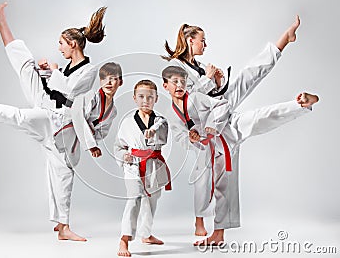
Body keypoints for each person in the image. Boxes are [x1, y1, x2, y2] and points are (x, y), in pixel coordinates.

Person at [164, 16, 307, 241]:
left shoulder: (200, 67)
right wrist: (210, 80)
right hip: (206, 127)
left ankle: (285, 46)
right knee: (219, 177)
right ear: (190, 40)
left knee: (247, 81)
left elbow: (209, 95)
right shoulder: (176, 68)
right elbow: (185, 102)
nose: (205, 45)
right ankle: (208, 227)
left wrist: (218, 82)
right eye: (202, 40)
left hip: (220, 116)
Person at [0, 62, 122, 241]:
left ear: (120, 82)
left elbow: (102, 132)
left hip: (67, 141)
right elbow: (78, 116)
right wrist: (90, 143)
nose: (109, 83)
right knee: (19, 117)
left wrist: (92, 138)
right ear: (100, 81)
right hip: (54, 122)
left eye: (113, 79)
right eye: (105, 79)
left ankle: (63, 226)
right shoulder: (89, 97)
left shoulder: (113, 111)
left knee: (64, 179)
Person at [0, 2, 107, 240]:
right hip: (47, 103)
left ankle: (63, 226)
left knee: (61, 172)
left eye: (62, 43)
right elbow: (59, 85)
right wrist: (46, 71)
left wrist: (54, 71)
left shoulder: (90, 69)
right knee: (27, 66)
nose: (60, 47)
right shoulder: (68, 66)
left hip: (60, 120)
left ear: (73, 44)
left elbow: (71, 92)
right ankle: (2, 27)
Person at [114, 80, 171, 257]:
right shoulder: (127, 122)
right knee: (135, 198)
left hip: (153, 164)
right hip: (133, 166)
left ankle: (146, 234)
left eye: (149, 97)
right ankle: (124, 238)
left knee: (152, 200)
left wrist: (153, 131)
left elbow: (161, 134)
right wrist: (124, 156)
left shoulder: (161, 121)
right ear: (134, 98)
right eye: (141, 96)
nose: (145, 100)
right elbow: (118, 146)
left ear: (156, 98)